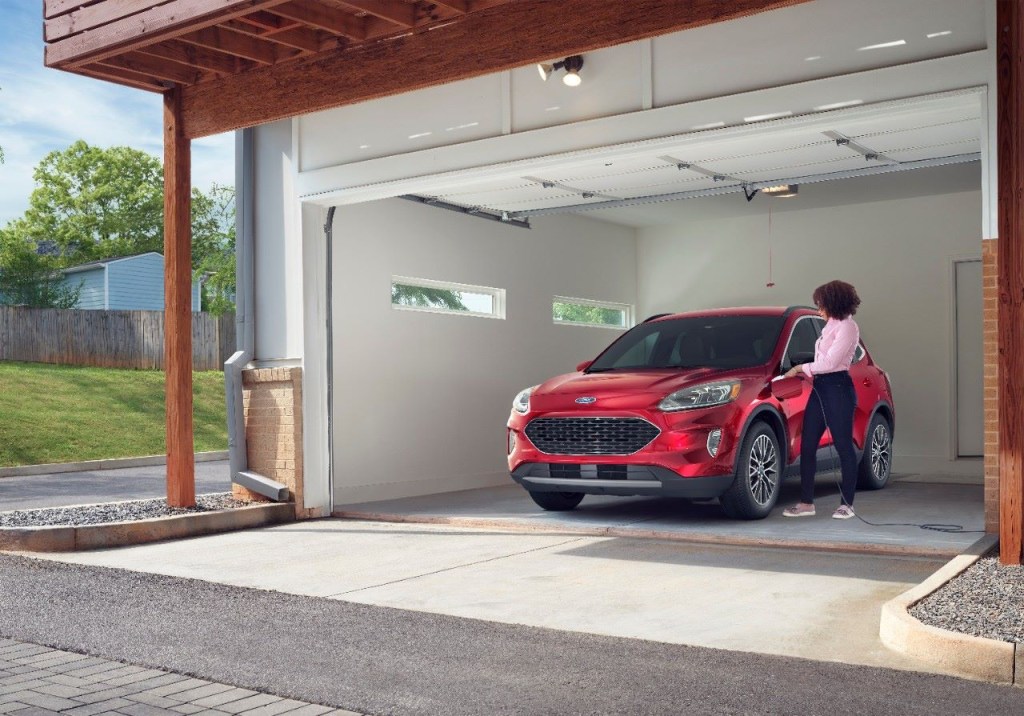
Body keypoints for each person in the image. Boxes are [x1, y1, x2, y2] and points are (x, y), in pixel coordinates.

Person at [782, 280, 862, 520]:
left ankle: (847, 504)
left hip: (837, 388)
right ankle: (807, 503)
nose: (818, 309)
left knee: (843, 446)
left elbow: (830, 364)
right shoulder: (829, 326)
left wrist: (799, 369)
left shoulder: (848, 327)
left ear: (833, 303)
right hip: (820, 388)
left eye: (821, 304)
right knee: (807, 445)